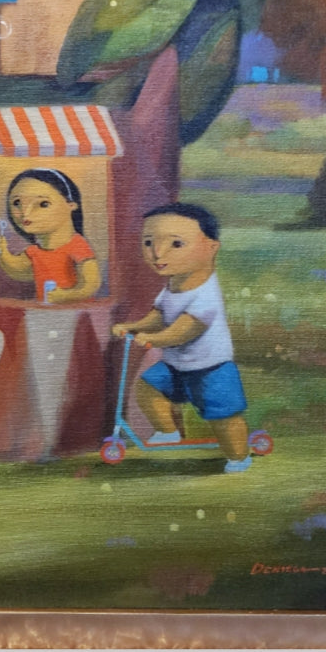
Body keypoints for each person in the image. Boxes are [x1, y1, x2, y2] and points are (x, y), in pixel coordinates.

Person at [111, 203, 253, 473]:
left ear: (211, 248)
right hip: (176, 366)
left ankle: (239, 456)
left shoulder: (206, 294)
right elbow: (159, 315)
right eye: (149, 242)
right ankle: (168, 431)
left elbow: (185, 329)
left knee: (224, 417)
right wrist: (135, 327)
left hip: (211, 369)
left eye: (176, 244)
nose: (157, 253)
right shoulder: (173, 285)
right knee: (148, 389)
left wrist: (155, 340)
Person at [0, 168, 101, 304]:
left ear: (71, 205)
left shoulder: (77, 246)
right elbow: (17, 270)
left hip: (76, 311)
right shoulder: (34, 251)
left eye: (43, 204)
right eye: (17, 203)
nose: (25, 213)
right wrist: (4, 252)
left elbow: (91, 284)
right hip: (46, 311)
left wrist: (66, 296)